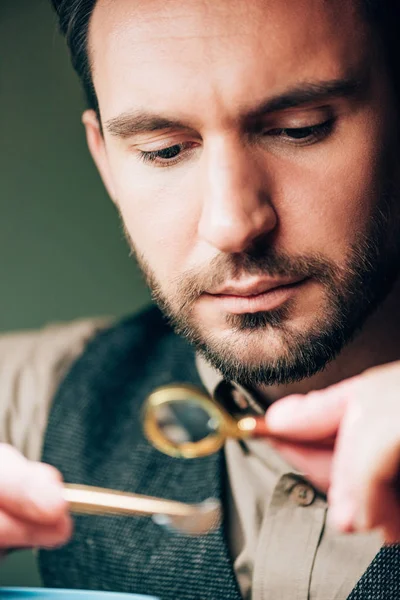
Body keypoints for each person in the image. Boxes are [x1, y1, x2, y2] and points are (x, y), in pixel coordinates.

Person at [1, 0, 400, 597]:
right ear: (106, 162)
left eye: (301, 128)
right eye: (164, 150)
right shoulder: (36, 394)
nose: (233, 223)